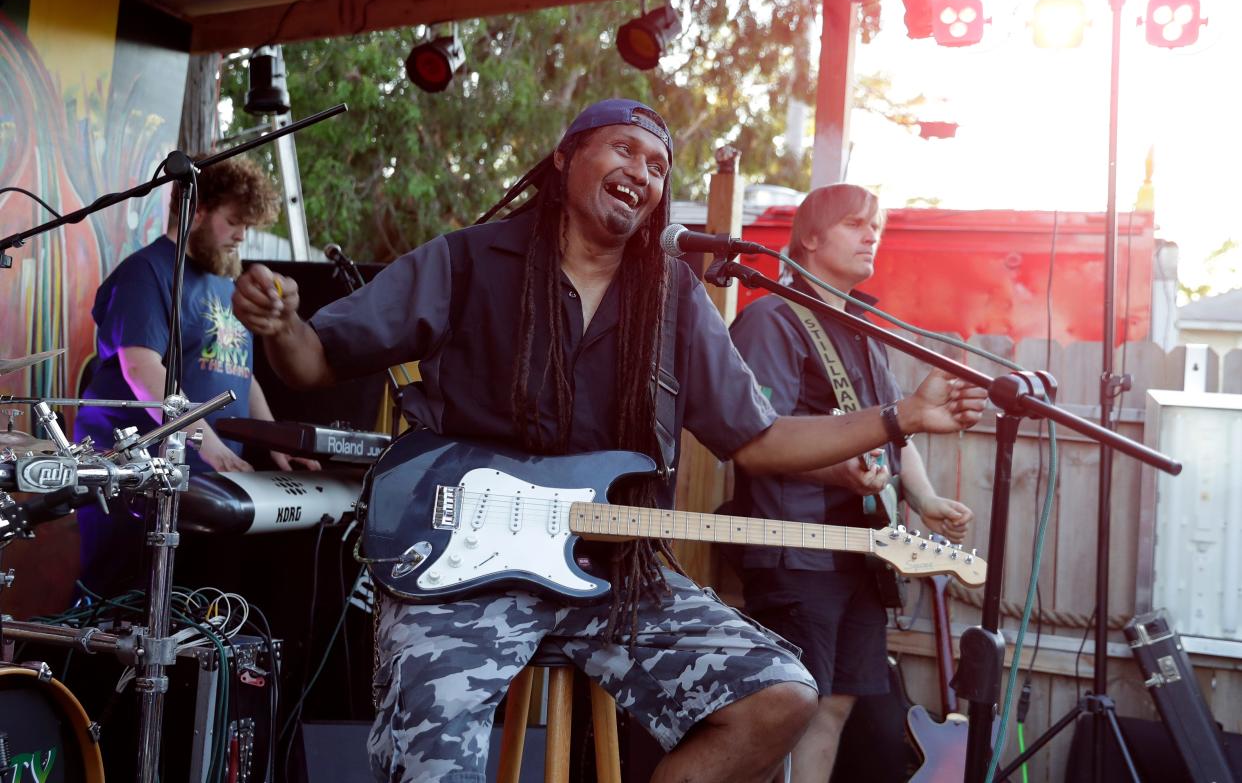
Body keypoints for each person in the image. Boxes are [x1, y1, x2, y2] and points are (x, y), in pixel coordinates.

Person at [231, 99, 986, 783]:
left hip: (613, 577)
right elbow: (318, 356)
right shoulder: (466, 260)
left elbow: (756, 439)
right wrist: (283, 325)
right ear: (565, 160)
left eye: (658, 165)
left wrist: (901, 418)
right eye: (624, 150)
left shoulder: (674, 295)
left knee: (782, 695)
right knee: (430, 764)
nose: (643, 172)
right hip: (458, 570)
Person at [728, 183, 974, 782]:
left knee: (836, 703)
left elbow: (891, 426)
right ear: (809, 238)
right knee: (790, 704)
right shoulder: (771, 319)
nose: (873, 236)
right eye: (857, 224)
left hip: (862, 550)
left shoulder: (865, 328)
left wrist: (925, 498)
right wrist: (836, 469)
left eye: (878, 227)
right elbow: (754, 440)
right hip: (797, 548)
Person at [74, 155, 318, 597]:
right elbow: (142, 368)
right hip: (138, 484)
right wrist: (211, 445)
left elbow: (242, 375)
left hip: (207, 486)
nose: (243, 235)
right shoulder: (145, 272)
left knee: (197, 617)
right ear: (197, 210)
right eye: (233, 221)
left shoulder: (227, 285)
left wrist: (275, 442)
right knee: (118, 612)